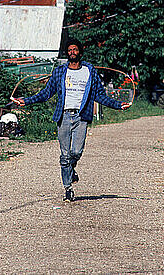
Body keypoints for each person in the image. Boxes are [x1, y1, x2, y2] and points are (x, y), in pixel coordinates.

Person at [12, 39, 130, 202]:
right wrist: (26, 100)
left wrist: (118, 105)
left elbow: (99, 95)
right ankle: (68, 188)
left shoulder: (90, 71)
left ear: (80, 53)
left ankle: (70, 170)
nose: (72, 52)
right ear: (66, 53)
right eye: (69, 50)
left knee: (76, 152)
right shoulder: (60, 72)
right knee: (65, 155)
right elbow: (46, 93)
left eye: (75, 49)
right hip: (64, 116)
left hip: (82, 117)